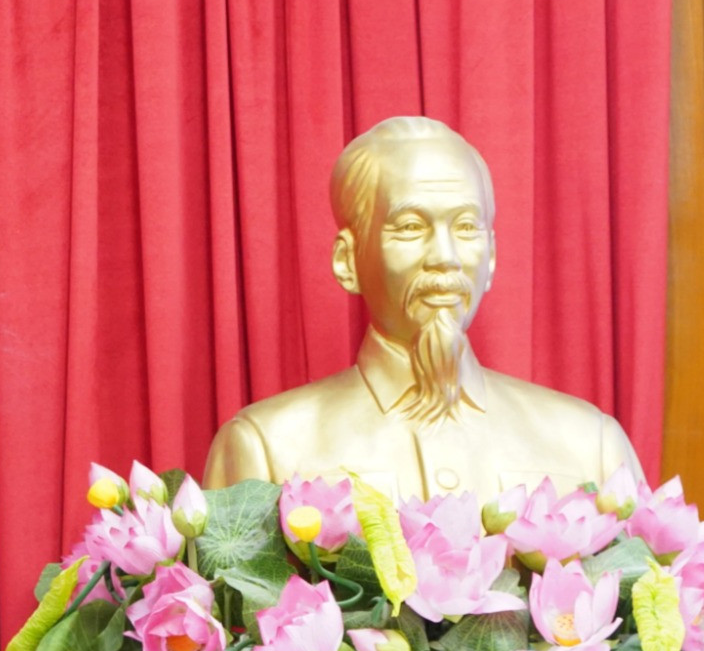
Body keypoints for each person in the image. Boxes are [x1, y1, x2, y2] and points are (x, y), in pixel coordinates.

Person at [204, 116, 641, 498]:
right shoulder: (267, 448)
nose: (445, 256)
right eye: (411, 227)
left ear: (490, 256)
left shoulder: (591, 446)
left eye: (467, 226)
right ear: (348, 260)